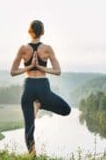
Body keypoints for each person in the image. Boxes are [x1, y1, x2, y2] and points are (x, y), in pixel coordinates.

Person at [10, 20, 71, 155]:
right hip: (43, 86)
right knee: (66, 109)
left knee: (29, 128)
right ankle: (40, 105)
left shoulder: (23, 49)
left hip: (28, 87)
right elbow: (58, 71)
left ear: (29, 31)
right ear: (43, 32)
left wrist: (29, 67)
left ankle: (33, 157)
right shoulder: (47, 49)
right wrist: (41, 67)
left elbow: (13, 72)